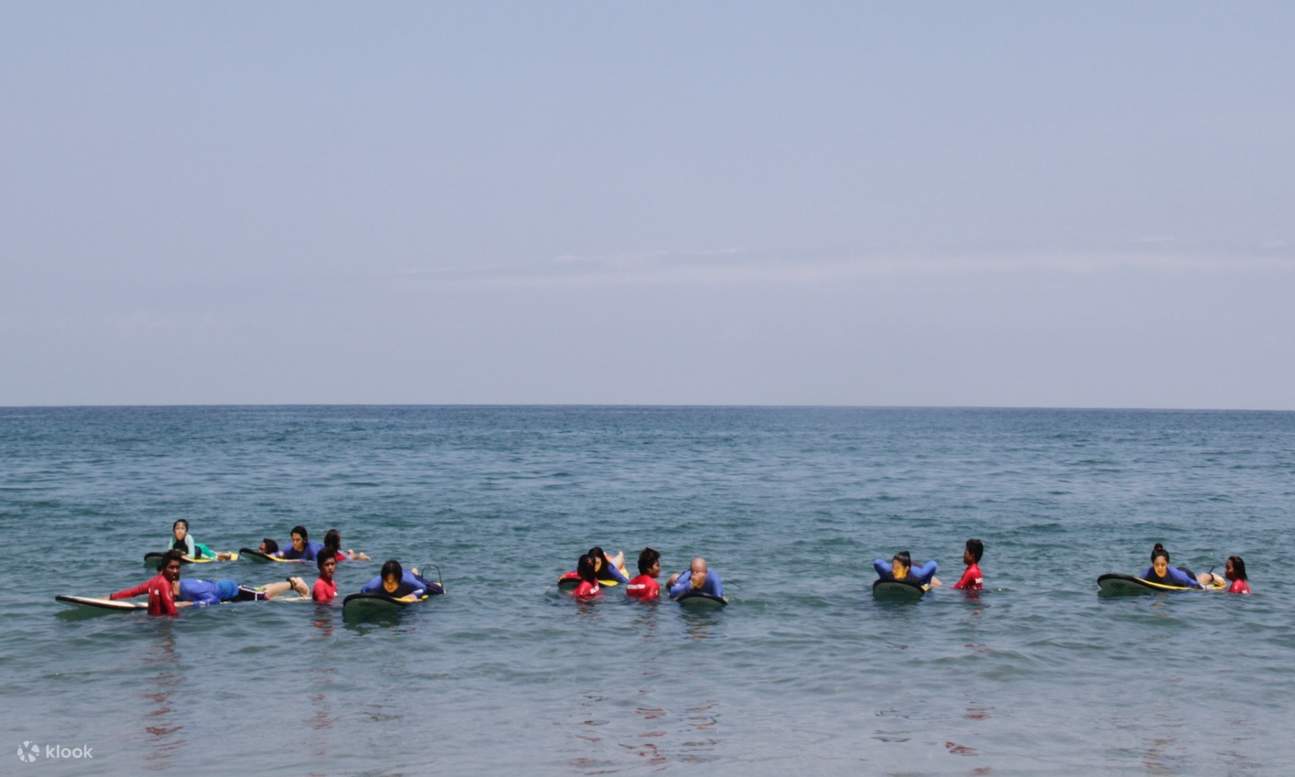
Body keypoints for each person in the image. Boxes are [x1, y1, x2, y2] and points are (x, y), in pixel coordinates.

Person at [112, 551, 309, 615]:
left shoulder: (188, 588)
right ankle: (290, 582)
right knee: (258, 590)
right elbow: (137, 590)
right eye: (170, 568)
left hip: (231, 590)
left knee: (263, 596)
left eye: (176, 568)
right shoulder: (162, 583)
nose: (174, 572)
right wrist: (112, 597)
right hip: (222, 588)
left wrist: (189, 604)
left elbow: (213, 600)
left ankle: (292, 583)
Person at [360, 560, 444, 599]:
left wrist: (414, 595)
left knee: (438, 590)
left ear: (399, 581)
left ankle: (414, 573)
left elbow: (423, 588)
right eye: (387, 582)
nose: (389, 585)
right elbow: (363, 591)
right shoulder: (373, 585)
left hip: (411, 577)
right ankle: (414, 572)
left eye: (393, 582)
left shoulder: (407, 581)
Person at [873, 551, 941, 588]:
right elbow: (877, 562)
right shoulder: (888, 570)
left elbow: (933, 564)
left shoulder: (918, 574)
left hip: (916, 567)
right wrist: (882, 578)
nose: (894, 571)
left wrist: (927, 583)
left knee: (933, 584)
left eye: (897, 569)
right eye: (893, 568)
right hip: (902, 564)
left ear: (906, 569)